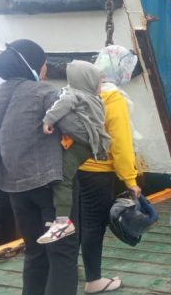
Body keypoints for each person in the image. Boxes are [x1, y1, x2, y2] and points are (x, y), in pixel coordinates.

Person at [0, 39, 79, 295]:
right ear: (33, 65)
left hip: (15, 188)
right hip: (50, 188)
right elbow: (74, 129)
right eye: (44, 63)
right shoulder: (45, 92)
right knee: (62, 253)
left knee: (35, 253)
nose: (46, 69)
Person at [75, 45, 141, 294]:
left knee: (75, 222)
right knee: (93, 225)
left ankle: (69, 267)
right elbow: (121, 144)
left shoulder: (79, 92)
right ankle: (94, 281)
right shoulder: (114, 98)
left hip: (74, 169)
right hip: (99, 171)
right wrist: (130, 180)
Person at [36, 60, 112, 245]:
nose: (99, 86)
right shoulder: (95, 98)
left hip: (80, 145)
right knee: (66, 176)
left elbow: (62, 106)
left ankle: (62, 221)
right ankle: (59, 219)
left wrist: (48, 120)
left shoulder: (74, 94)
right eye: (98, 82)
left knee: (63, 180)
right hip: (91, 146)